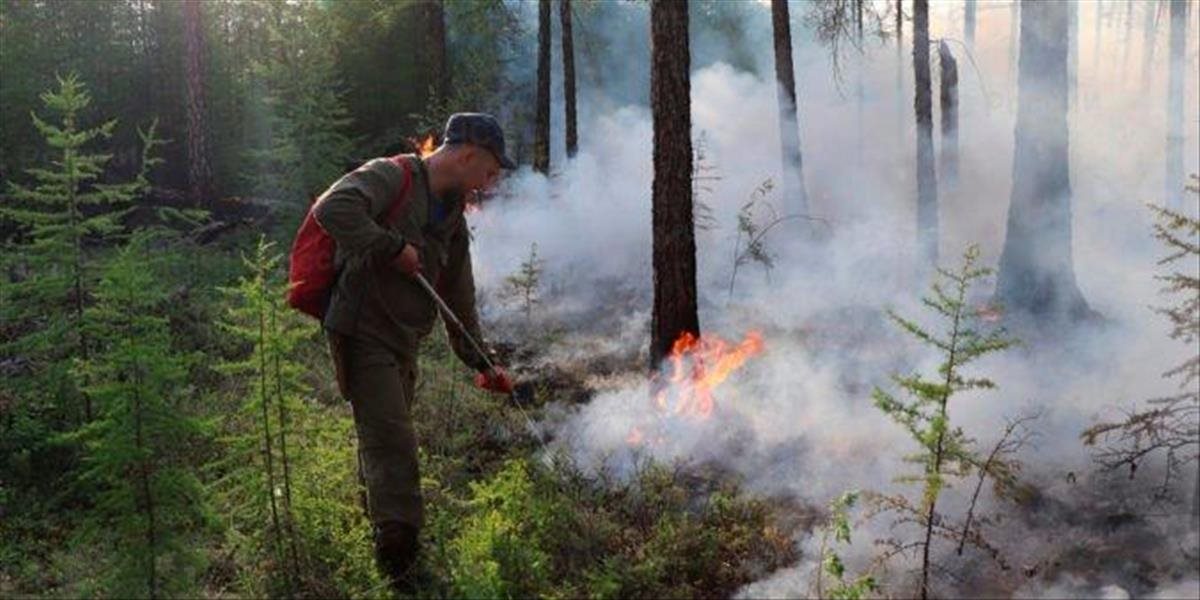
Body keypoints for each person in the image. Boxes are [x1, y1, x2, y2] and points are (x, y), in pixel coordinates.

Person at [312, 113, 516, 591]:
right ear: (467, 154)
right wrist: (389, 247)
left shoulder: (454, 216)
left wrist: (481, 361)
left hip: (404, 339)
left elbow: (459, 299)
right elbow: (332, 209)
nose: (490, 182)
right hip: (363, 331)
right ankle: (402, 569)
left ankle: (382, 537)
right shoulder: (392, 175)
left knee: (384, 439)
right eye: (489, 170)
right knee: (395, 442)